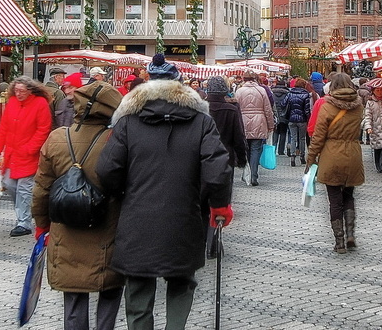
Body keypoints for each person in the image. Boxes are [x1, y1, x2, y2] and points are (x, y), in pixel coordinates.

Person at [96, 54, 232, 330]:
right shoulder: (201, 122)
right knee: (182, 280)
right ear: (180, 86)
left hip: (137, 217)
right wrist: (217, 204)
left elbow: (107, 168)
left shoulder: (128, 122)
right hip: (184, 215)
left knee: (138, 284)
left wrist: (124, 193)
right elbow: (218, 170)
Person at [32, 79, 126, 330]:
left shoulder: (57, 138)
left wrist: (41, 225)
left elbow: (41, 188)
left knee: (73, 292)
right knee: (109, 288)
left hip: (66, 226)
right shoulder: (117, 140)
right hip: (109, 226)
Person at [305, 72, 364, 254]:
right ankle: (351, 234)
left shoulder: (327, 106)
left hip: (332, 155)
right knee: (349, 196)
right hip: (353, 154)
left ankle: (339, 242)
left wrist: (311, 159)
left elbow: (318, 137)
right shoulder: (358, 105)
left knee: (334, 200)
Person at [0, 76, 53, 237]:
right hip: (12, 153)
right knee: (9, 184)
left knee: (24, 189)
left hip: (29, 154)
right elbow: (4, 126)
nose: (18, 94)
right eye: (17, 90)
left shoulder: (40, 104)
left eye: (22, 91)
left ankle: (23, 222)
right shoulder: (12, 102)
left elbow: (43, 129)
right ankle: (25, 214)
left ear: (30, 91)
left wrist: (30, 148)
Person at [204, 76, 247, 184]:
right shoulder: (231, 110)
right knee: (224, 192)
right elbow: (238, 136)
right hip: (226, 156)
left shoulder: (200, 109)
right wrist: (242, 158)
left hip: (204, 156)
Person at [235, 71, 275, 186]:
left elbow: (236, 109)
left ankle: (246, 173)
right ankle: (254, 175)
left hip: (243, 122)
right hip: (259, 122)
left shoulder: (239, 91)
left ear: (244, 79)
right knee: (256, 150)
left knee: (246, 149)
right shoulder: (261, 90)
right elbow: (268, 110)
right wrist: (270, 125)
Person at [362, 86, 382, 176]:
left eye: (381, 90)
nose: (380, 92)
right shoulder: (370, 102)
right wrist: (368, 127)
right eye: (377, 90)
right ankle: (379, 166)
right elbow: (368, 116)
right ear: (373, 91)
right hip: (375, 129)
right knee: (377, 148)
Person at [284, 78, 312, 167]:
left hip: (291, 119)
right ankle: (302, 156)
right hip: (302, 120)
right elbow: (307, 109)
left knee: (293, 138)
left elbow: (283, 103)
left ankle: (292, 157)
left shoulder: (289, 93)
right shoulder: (305, 94)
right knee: (302, 138)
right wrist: (308, 118)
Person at [270, 76, 290, 155]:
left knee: (275, 132)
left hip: (275, 115)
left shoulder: (272, 92)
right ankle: (281, 150)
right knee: (283, 132)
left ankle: (273, 149)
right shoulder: (287, 93)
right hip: (284, 115)